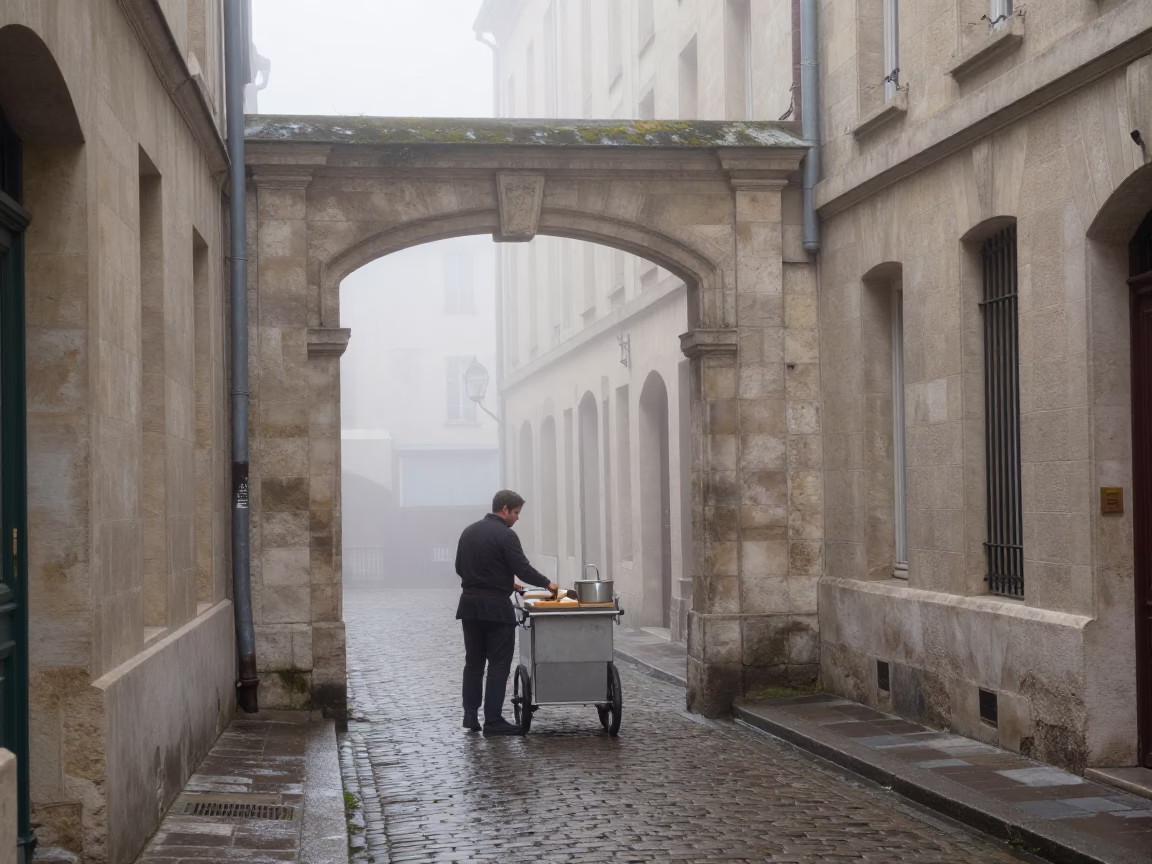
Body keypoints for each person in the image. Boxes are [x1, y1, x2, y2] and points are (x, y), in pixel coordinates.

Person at [455, 490, 557, 736]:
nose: (518, 518)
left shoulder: (468, 531)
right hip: (495, 610)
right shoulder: (506, 535)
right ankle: (493, 721)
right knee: (499, 665)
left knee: (473, 663)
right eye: (517, 512)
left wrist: (503, 581)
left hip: (469, 606)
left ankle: (470, 715)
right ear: (504, 509)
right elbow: (521, 568)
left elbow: (461, 568)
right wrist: (547, 583)